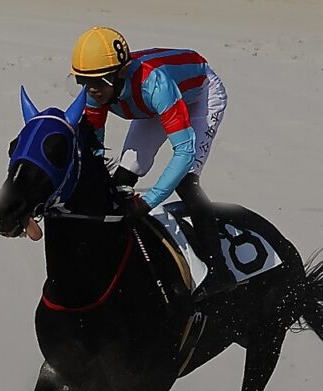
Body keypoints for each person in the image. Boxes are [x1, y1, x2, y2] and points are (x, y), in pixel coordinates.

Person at [69, 26, 236, 298]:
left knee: (186, 181)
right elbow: (95, 152)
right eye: (84, 82)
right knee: (121, 180)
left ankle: (219, 270)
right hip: (149, 106)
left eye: (100, 81)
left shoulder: (155, 84)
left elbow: (183, 153)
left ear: (121, 73)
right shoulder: (95, 91)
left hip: (199, 95)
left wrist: (148, 202)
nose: (93, 90)